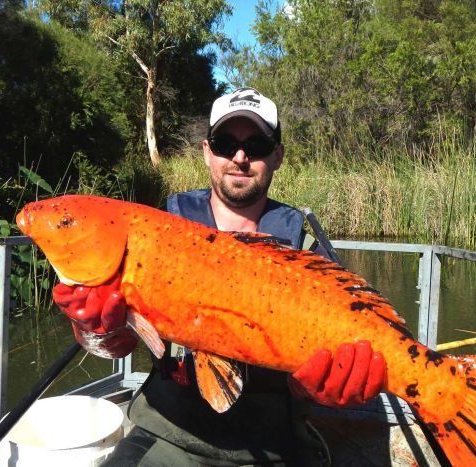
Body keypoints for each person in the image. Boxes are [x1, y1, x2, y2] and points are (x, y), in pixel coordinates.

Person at [53, 88, 387, 466]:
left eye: (257, 145)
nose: (240, 158)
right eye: (225, 143)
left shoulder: (305, 249)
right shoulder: (157, 233)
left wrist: (325, 389)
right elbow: (117, 344)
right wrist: (95, 331)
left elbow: (329, 379)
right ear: (207, 151)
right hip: (169, 429)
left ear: (277, 156)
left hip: (277, 444)